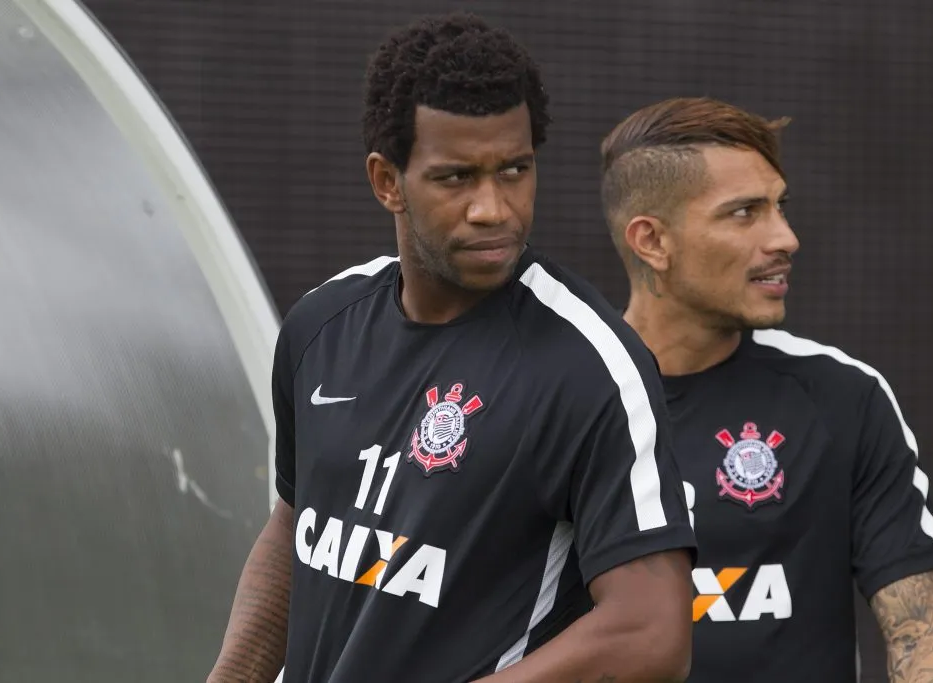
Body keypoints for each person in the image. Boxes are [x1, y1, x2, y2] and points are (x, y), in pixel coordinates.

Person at [207, 13, 698, 683]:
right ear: (387, 181)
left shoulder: (591, 364)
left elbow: (650, 632)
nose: (493, 207)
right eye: (456, 177)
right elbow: (300, 531)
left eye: (515, 170)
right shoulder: (320, 325)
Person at [599, 96, 933, 683]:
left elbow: (921, 637)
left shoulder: (844, 395)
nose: (786, 238)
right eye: (745, 213)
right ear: (652, 242)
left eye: (780, 207)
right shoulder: (557, 399)